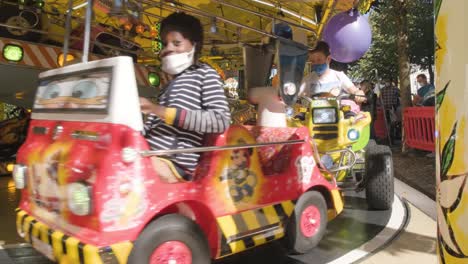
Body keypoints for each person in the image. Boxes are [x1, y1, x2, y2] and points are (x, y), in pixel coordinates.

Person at [139, 12, 231, 182]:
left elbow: (220, 120)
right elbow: (151, 125)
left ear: (194, 44)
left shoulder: (205, 74)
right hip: (151, 155)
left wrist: (160, 111)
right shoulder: (170, 84)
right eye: (165, 44)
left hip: (174, 163)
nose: (169, 49)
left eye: (177, 43)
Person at [299, 41, 366, 104]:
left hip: (335, 113)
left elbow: (353, 90)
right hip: (314, 113)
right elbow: (297, 93)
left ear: (328, 59)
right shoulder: (307, 79)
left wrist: (358, 93)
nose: (316, 63)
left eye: (319, 60)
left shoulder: (339, 76)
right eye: (312, 61)